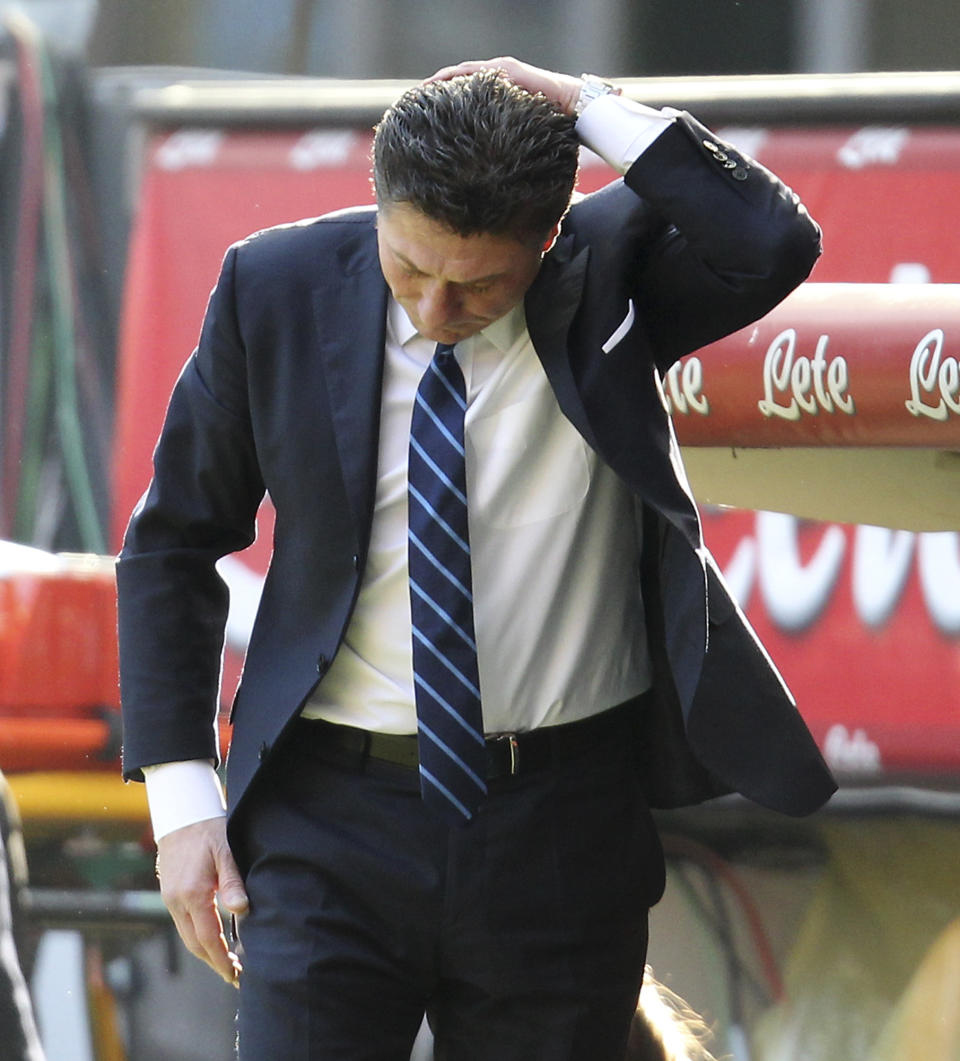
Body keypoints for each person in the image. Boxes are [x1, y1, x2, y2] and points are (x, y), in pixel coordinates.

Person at [117, 56, 836, 1059]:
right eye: (408, 267)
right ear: (379, 202)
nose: (433, 309)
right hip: (328, 817)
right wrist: (181, 803)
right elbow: (171, 545)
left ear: (548, 241)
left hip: (561, 821)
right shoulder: (270, 287)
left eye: (479, 285)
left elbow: (771, 238)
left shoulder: (608, 276)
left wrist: (583, 102)